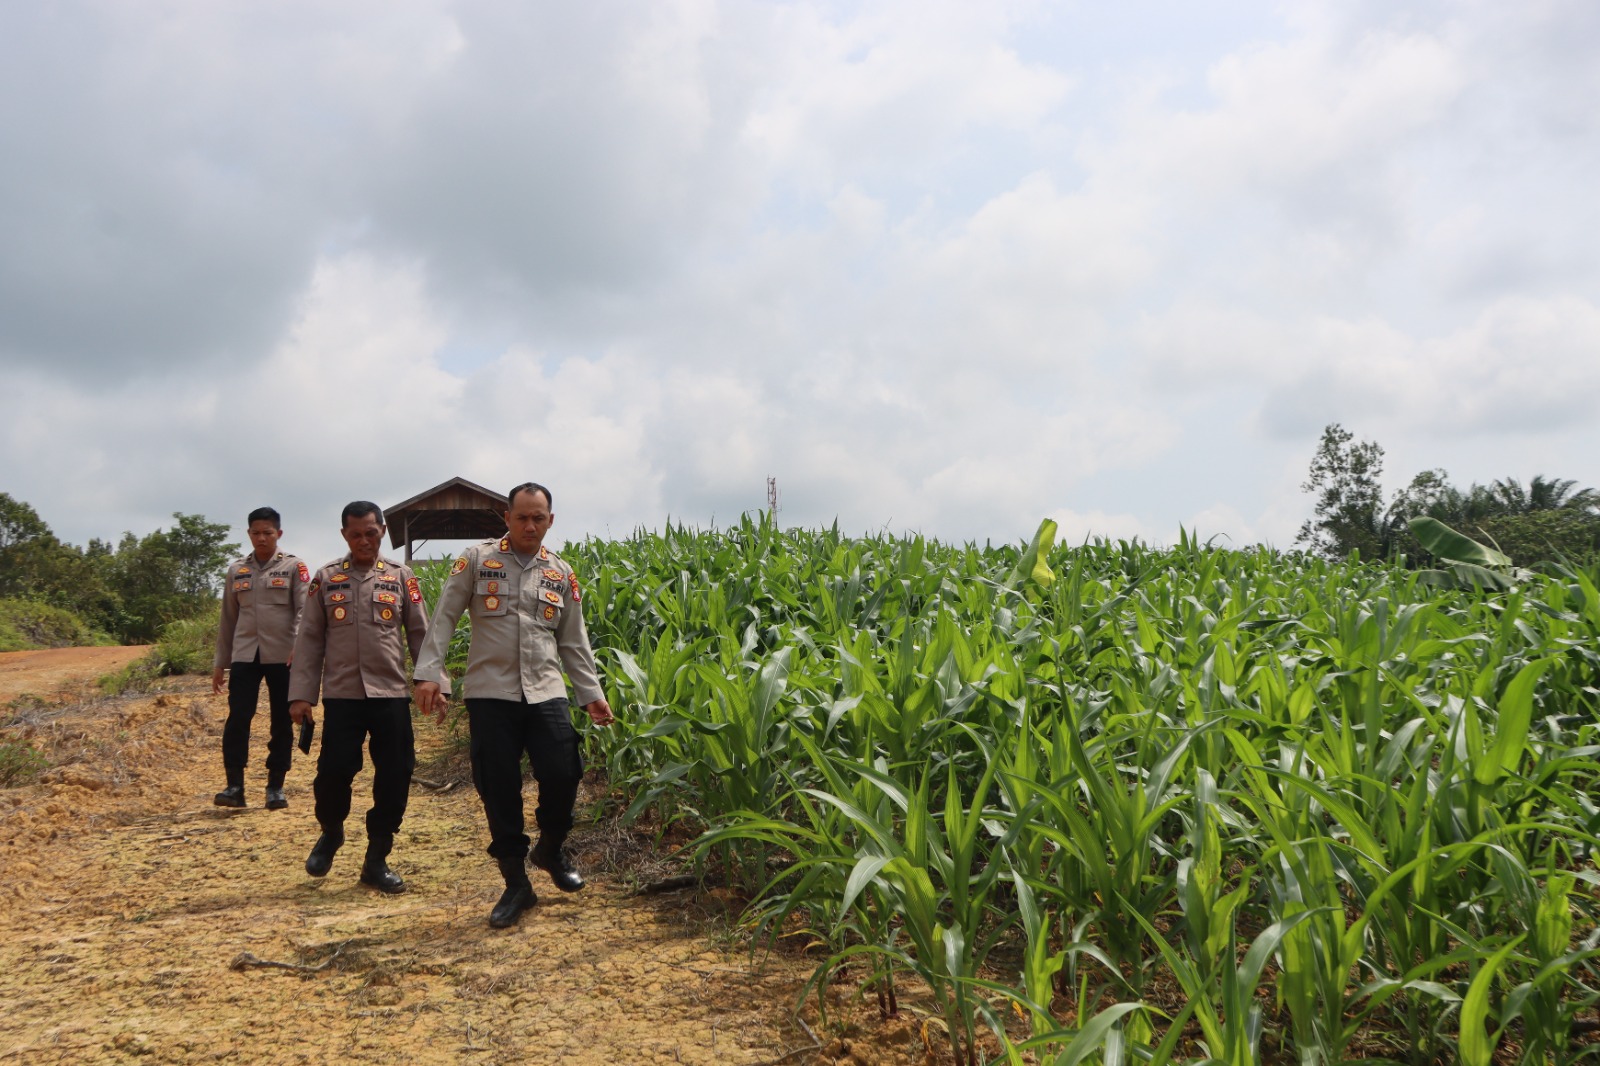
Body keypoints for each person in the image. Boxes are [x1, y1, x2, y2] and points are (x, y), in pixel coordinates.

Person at [413, 482, 613, 929]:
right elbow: (444, 617)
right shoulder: (477, 560)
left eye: (538, 518)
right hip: (491, 692)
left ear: (550, 521)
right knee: (498, 786)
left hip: (546, 690)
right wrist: (430, 673)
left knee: (564, 771)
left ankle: (550, 848)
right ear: (507, 518)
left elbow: (573, 640)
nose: (529, 525)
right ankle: (516, 882)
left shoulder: (560, 572)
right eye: (521, 517)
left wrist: (591, 695)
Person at [287, 501, 438, 894]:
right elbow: (309, 640)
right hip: (343, 696)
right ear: (344, 535)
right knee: (333, 773)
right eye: (356, 535)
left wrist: (432, 681)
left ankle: (377, 858)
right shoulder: (326, 578)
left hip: (391, 695)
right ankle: (331, 831)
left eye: (371, 533)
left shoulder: (401, 577)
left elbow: (421, 633)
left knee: (395, 775)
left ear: (382, 531)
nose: (364, 541)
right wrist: (301, 696)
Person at [212, 506, 310, 809]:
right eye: (256, 533)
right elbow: (228, 619)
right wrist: (220, 663)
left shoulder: (294, 567)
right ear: (249, 534)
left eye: (267, 532)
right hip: (245, 654)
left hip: (283, 655)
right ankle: (234, 786)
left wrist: (299, 647)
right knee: (238, 718)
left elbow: (304, 610)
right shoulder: (237, 570)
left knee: (282, 720)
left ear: (278, 533)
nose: (262, 538)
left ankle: (275, 787)